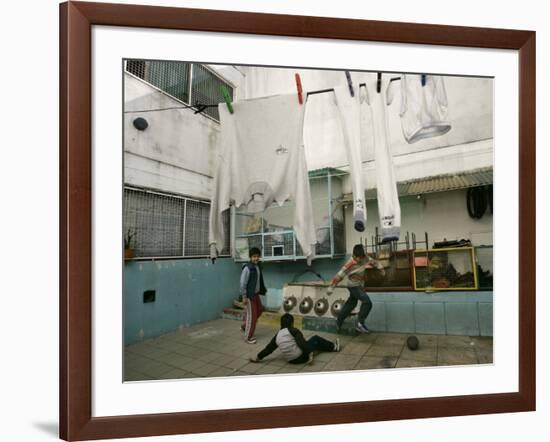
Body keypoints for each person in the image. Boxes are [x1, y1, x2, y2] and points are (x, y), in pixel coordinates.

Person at [327, 244, 385, 333]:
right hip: (353, 286)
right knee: (367, 302)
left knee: (351, 304)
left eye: (360, 257)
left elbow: (374, 262)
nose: (358, 259)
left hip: (360, 285)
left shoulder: (365, 258)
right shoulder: (350, 263)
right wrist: (331, 287)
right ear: (354, 255)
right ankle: (359, 324)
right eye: (356, 257)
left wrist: (381, 269)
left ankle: (338, 321)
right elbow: (339, 276)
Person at [249, 313, 340, 364]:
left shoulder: (277, 335)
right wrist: (309, 354)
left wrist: (257, 357)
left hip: (291, 361)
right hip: (302, 358)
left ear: (281, 324)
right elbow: (302, 343)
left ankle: (318, 350)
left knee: (313, 345)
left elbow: (268, 349)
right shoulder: (294, 330)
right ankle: (334, 347)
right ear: (292, 323)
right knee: (315, 339)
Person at [240, 247, 266, 344]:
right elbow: (242, 283)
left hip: (256, 295)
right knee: (253, 317)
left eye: (257, 256)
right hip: (249, 296)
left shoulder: (257, 266)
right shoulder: (247, 268)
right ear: (250, 257)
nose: (256, 258)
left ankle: (245, 325)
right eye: (254, 257)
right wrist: (244, 296)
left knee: (259, 310)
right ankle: (248, 337)